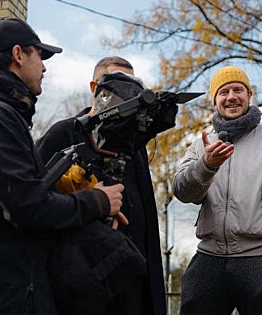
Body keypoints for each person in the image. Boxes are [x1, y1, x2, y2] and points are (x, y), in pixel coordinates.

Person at [0, 18, 125, 315]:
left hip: (15, 292)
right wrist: (96, 201)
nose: (44, 67)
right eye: (40, 55)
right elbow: (27, 207)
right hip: (10, 298)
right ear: (19, 55)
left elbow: (23, 198)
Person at [172, 66, 262, 315]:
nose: (231, 97)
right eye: (223, 91)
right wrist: (206, 166)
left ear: (249, 95)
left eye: (238, 89)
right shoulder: (201, 146)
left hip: (261, 260)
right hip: (208, 257)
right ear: (214, 100)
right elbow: (183, 192)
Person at [35, 56, 167, 315]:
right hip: (81, 278)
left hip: (131, 275)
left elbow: (146, 217)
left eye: (133, 86)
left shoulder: (135, 146)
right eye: (117, 82)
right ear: (95, 87)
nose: (126, 93)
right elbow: (36, 202)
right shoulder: (62, 135)